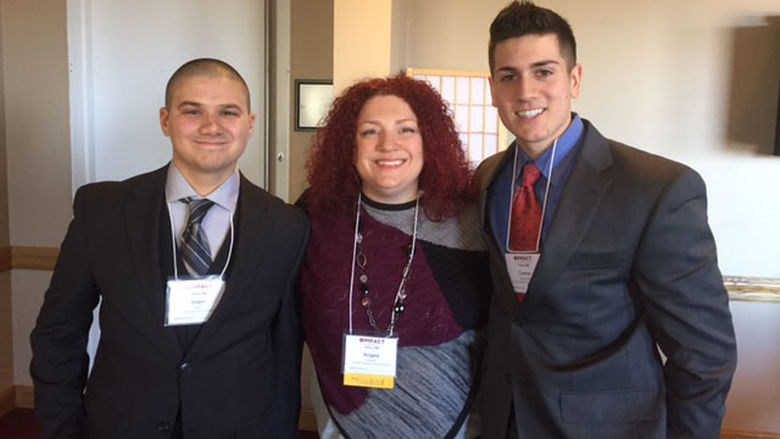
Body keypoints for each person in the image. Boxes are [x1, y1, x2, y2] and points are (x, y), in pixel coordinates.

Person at [477, 2, 738, 438]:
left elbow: (704, 352)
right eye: (509, 76)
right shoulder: (489, 178)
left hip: (608, 427)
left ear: (574, 79)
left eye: (544, 71)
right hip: (506, 418)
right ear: (493, 87)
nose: (525, 92)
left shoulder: (656, 187)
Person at [30, 58, 308, 439]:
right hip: (120, 427)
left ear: (249, 124)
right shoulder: (102, 212)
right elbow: (59, 332)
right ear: (165, 120)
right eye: (192, 111)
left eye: (228, 112)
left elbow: (285, 353)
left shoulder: (288, 226)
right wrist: (62, 428)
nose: (212, 126)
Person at [298, 74, 491, 439]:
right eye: (370, 131)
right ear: (349, 146)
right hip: (339, 428)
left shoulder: (473, 222)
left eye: (406, 130)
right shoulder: (315, 218)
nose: (388, 144)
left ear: (429, 141)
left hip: (459, 428)